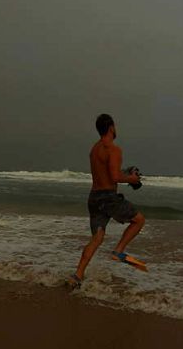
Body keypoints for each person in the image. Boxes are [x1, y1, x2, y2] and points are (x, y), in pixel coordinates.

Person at [67, 114, 145, 289]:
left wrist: (126, 173)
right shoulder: (113, 149)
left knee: (97, 238)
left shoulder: (94, 149)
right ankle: (119, 251)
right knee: (139, 220)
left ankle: (77, 275)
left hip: (94, 197)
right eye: (115, 126)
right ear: (111, 127)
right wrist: (132, 179)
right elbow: (115, 177)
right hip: (108, 197)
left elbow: (106, 172)